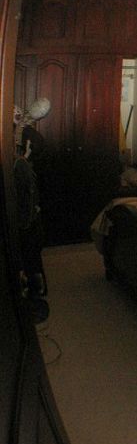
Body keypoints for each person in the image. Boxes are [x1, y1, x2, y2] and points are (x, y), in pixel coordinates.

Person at [13, 99, 51, 303]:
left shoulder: (29, 139)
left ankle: (35, 285)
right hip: (27, 205)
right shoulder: (25, 138)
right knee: (30, 245)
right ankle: (34, 284)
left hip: (29, 206)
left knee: (30, 243)